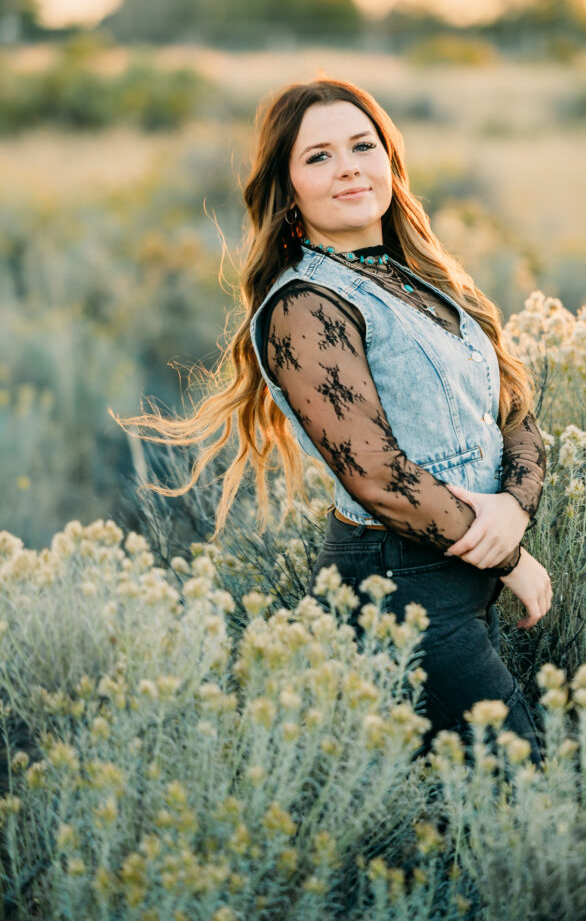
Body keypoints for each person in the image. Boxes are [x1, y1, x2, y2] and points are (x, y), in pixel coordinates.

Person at [113, 76, 552, 764]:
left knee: (468, 804)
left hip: (462, 564)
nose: (347, 165)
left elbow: (514, 406)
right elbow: (376, 475)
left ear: (389, 161)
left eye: (361, 145)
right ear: (289, 189)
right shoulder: (305, 306)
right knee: (515, 781)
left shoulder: (419, 276)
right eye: (317, 156)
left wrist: (515, 511)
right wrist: (506, 554)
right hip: (397, 582)